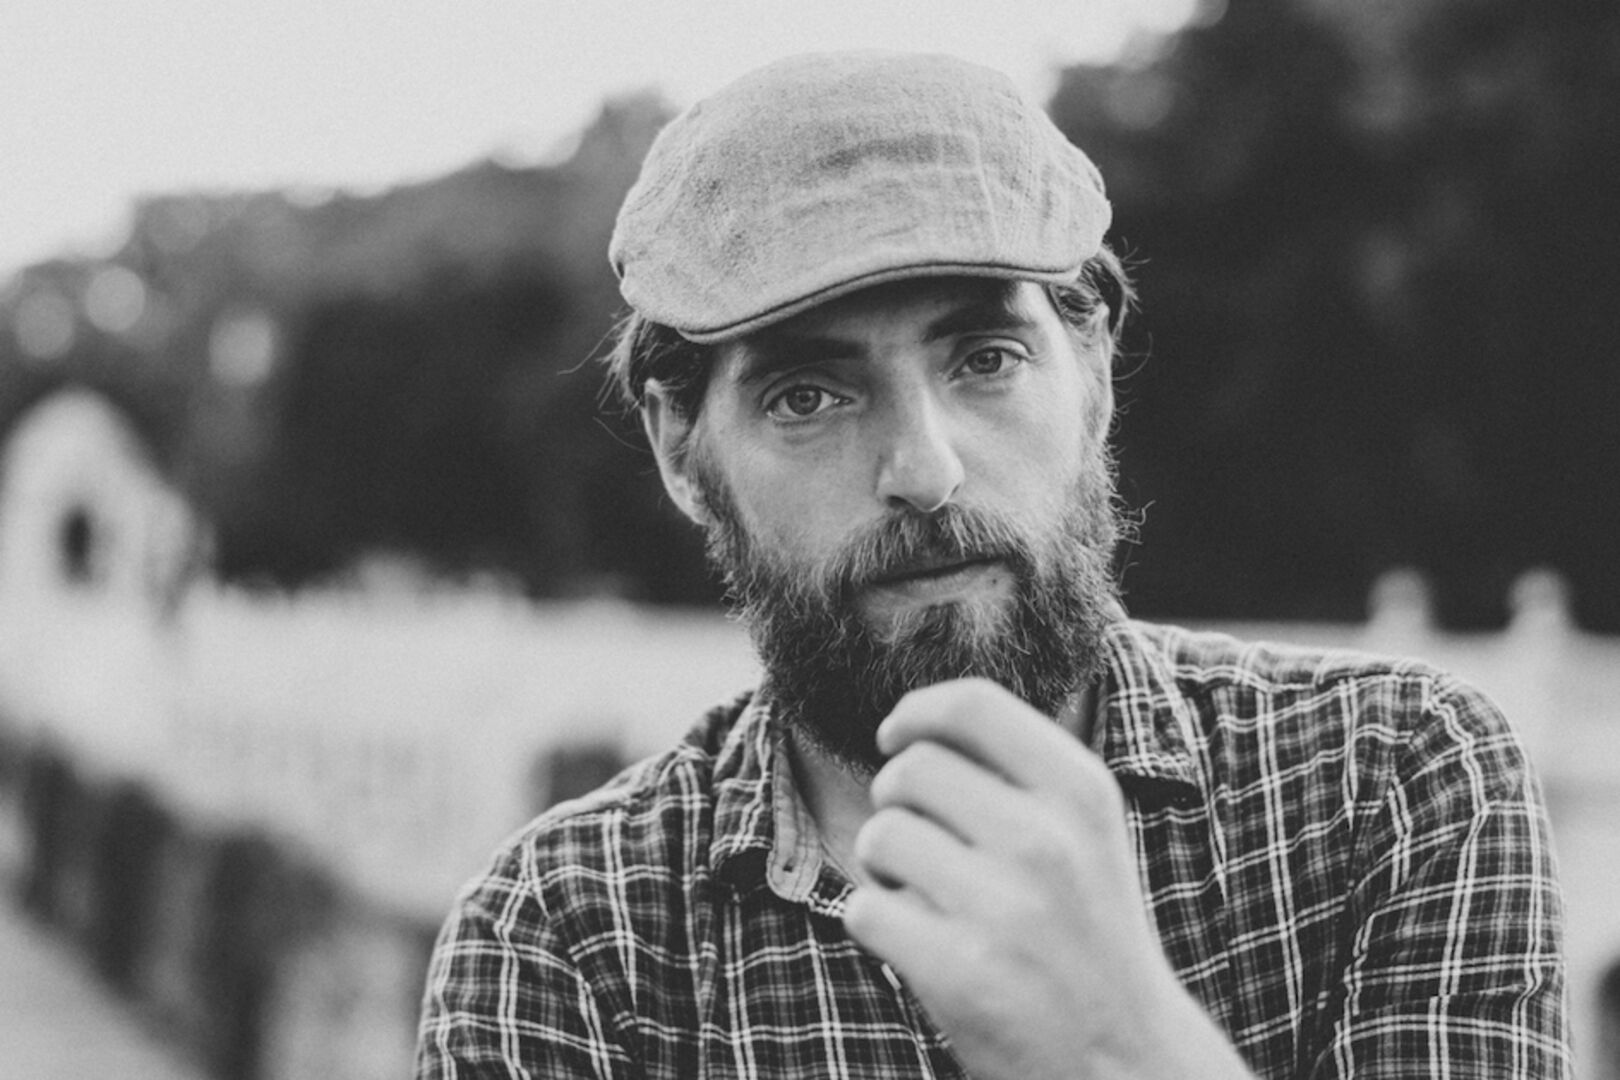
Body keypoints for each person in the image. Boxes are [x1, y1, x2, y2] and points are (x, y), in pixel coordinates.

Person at [415, 50, 1568, 1078]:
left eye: (986, 357)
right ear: (681, 447)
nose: (926, 470)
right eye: (808, 395)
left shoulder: (1389, 782)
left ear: (1093, 371)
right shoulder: (566, 941)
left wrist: (1121, 1047)